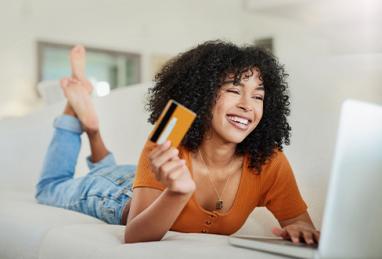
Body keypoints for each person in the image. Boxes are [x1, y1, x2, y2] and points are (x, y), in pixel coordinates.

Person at [35, 41, 320, 246]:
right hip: (118, 195)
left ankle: (95, 132)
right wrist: (177, 193)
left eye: (258, 96)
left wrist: (301, 230)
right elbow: (135, 235)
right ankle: (74, 112)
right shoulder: (170, 141)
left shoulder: (268, 160)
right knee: (49, 187)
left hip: (140, 178)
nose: (247, 105)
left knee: (110, 168)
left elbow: (299, 222)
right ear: (202, 94)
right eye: (234, 90)